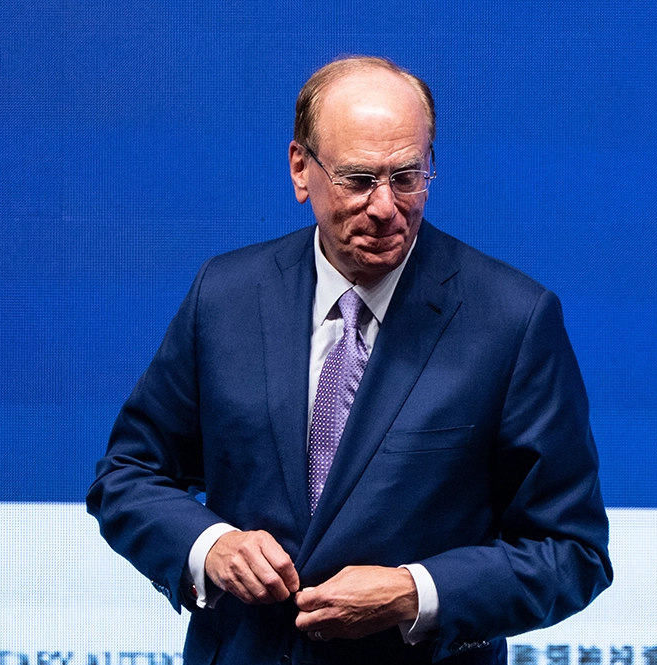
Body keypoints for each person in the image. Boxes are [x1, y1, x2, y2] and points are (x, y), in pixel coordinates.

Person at [87, 55, 612, 665]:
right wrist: (210, 547)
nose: (386, 207)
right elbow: (128, 475)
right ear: (300, 169)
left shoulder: (512, 321)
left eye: (407, 177)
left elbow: (572, 553)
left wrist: (416, 593)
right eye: (359, 179)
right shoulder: (225, 295)